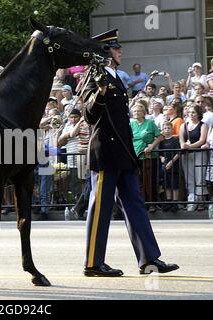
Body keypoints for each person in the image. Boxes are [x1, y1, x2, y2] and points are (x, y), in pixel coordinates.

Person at [82, 28, 179, 277]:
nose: (120, 51)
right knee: (100, 208)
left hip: (123, 153)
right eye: (115, 48)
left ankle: (149, 259)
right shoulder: (96, 77)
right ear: (105, 52)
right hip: (105, 153)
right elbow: (89, 115)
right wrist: (100, 93)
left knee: (135, 205)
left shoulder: (115, 77)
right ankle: (93, 263)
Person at [130, 103, 164, 212]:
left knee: (149, 180)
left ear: (143, 113)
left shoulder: (150, 123)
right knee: (137, 181)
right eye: (134, 111)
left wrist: (152, 146)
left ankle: (152, 203)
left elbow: (159, 136)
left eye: (138, 111)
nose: (136, 113)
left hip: (148, 156)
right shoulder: (131, 125)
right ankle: (140, 204)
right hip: (135, 156)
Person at [179, 104, 209, 211]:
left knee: (199, 177)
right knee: (189, 178)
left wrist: (189, 146)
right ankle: (191, 201)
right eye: (190, 112)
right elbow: (181, 140)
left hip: (199, 153)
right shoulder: (183, 125)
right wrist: (184, 146)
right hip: (186, 154)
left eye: (193, 112)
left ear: (198, 114)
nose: (191, 114)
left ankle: (200, 201)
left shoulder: (203, 125)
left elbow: (202, 140)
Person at [159, 121, 180, 213]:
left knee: (174, 184)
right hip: (165, 165)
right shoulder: (162, 141)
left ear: (172, 129)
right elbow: (160, 153)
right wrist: (162, 158)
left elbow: (178, 153)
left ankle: (175, 202)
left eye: (168, 128)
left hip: (174, 165)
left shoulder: (175, 140)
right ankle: (168, 200)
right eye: (165, 128)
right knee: (166, 184)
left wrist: (171, 162)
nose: (166, 130)